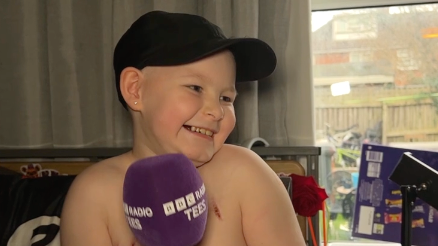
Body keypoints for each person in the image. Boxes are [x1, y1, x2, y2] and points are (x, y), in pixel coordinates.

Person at [60, 10, 306, 246]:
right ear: (135, 89)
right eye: (195, 88)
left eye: (226, 98)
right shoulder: (93, 194)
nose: (217, 111)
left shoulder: (244, 173)